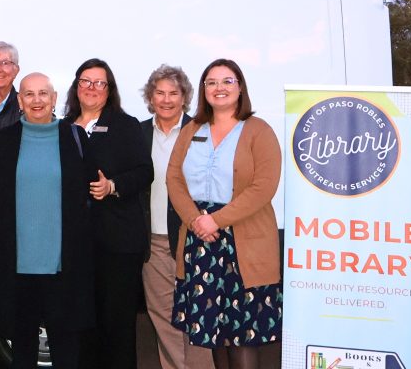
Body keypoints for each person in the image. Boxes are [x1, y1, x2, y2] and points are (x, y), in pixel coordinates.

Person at [167, 59, 282, 368]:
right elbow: (173, 179)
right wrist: (196, 220)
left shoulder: (259, 130)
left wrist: (215, 220)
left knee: (243, 335)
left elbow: (264, 186)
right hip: (201, 242)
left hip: (244, 243)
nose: (219, 88)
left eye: (227, 81)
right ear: (204, 91)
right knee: (213, 333)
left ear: (240, 87)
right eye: (212, 82)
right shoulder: (192, 129)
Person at [0, 73, 97, 369]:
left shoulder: (75, 138)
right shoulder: (5, 141)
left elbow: (88, 195)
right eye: (28, 94)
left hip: (63, 264)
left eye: (43, 94)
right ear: (19, 100)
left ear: (54, 98)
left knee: (65, 345)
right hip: (19, 264)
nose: (36, 100)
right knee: (22, 345)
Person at [64, 58, 152, 369]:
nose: (91, 88)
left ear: (109, 89)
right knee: (84, 324)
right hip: (77, 244)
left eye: (99, 83)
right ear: (76, 87)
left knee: (117, 326)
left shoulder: (125, 125)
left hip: (118, 242)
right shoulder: (62, 127)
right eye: (85, 81)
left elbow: (145, 172)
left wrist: (112, 186)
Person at [138, 66, 214, 369]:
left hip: (194, 237)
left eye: (173, 93)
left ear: (184, 97)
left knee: (198, 317)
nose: (166, 99)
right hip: (154, 242)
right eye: (160, 92)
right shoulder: (139, 132)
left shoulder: (201, 132)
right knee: (163, 317)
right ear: (150, 97)